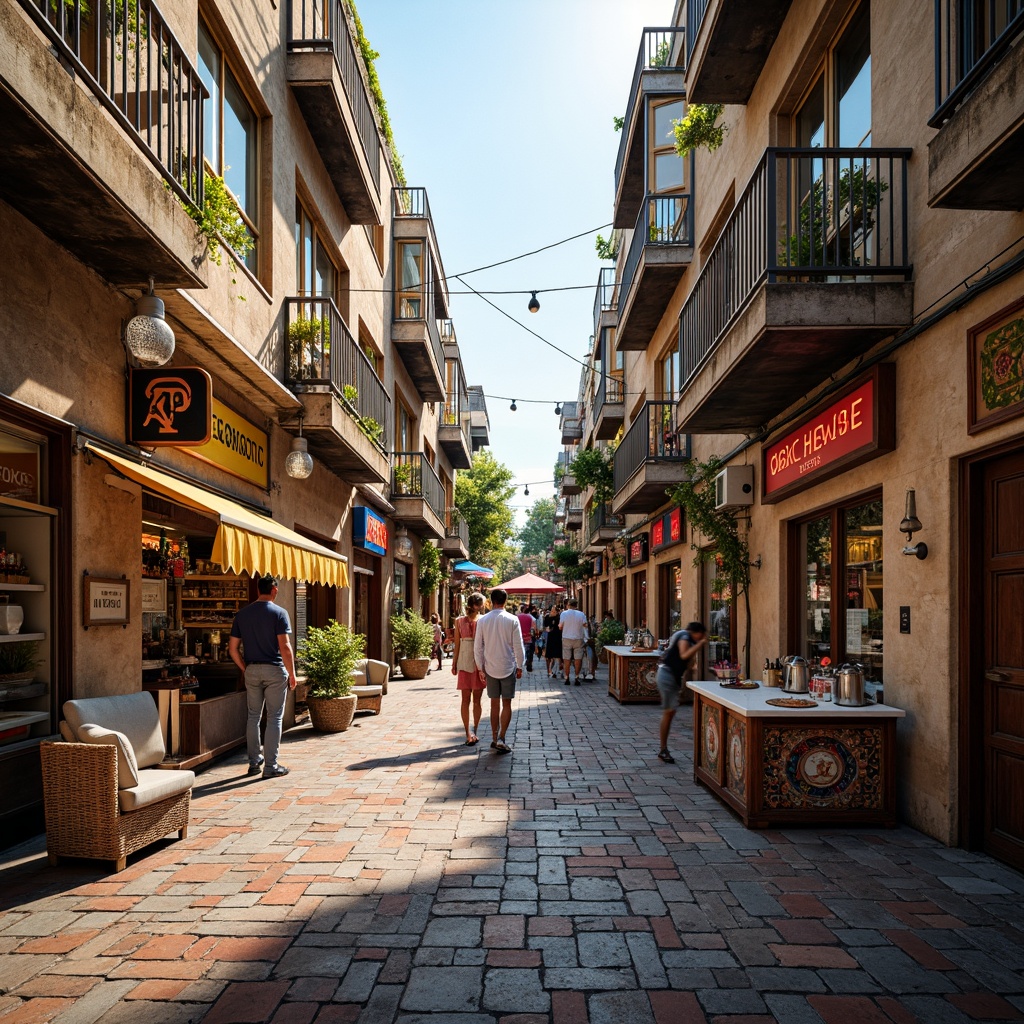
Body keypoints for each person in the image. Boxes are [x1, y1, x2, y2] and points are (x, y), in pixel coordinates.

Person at [228, 575, 297, 779]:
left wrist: (244, 668)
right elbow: (285, 647)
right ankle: (271, 767)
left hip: (252, 669)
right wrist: (292, 673)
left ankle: (253, 762)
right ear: (274, 590)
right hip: (275, 670)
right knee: (275, 717)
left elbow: (232, 649)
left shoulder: (242, 614)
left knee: (253, 716)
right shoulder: (279, 613)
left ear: (258, 590)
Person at [474, 587, 524, 754]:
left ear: (491, 600)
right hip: (508, 666)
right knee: (507, 702)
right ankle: (502, 737)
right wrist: (520, 665)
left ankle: (495, 738)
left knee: (494, 703)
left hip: (490, 666)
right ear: (505, 600)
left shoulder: (483, 620)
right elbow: (518, 645)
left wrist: (480, 667)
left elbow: (478, 647)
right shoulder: (512, 619)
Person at [655, 620, 709, 764]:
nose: (702, 638)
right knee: (668, 711)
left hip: (670, 676)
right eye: (701, 635)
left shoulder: (683, 636)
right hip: (667, 676)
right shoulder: (685, 637)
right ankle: (663, 749)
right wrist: (699, 644)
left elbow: (689, 664)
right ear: (697, 633)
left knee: (670, 711)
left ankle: (663, 748)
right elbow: (684, 655)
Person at [451, 592, 486, 745]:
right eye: (482, 603)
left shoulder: (483, 621)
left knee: (471, 700)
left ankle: (472, 732)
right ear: (477, 605)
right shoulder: (459, 621)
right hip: (469, 662)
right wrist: (454, 663)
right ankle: (469, 732)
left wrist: (455, 662)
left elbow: (457, 645)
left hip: (476, 662)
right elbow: (457, 644)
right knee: (470, 700)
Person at [559, 598, 589, 685]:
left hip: (566, 637)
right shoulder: (581, 614)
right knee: (578, 658)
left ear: (568, 605)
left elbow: (560, 626)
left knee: (566, 658)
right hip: (578, 637)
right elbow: (585, 625)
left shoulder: (564, 614)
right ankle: (576, 677)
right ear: (576, 606)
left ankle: (567, 677)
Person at [543, 603, 563, 678]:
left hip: (557, 637)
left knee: (558, 655)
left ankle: (557, 670)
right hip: (550, 637)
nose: (552, 612)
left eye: (554, 611)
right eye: (551, 611)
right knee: (549, 656)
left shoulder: (559, 618)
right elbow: (545, 625)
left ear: (557, 612)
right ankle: (549, 671)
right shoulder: (547, 617)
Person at [516, 603, 536, 673]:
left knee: (519, 651)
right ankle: (529, 665)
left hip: (519, 637)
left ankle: (519, 665)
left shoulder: (517, 617)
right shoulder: (530, 617)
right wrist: (533, 636)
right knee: (529, 652)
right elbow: (533, 628)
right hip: (528, 637)